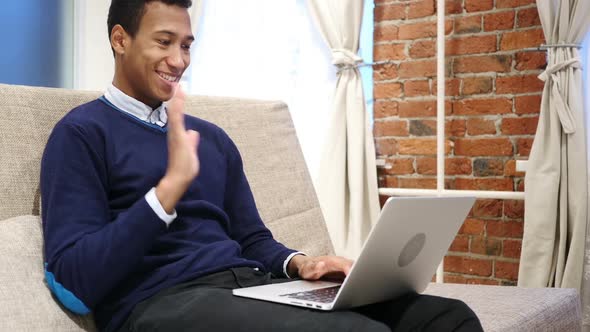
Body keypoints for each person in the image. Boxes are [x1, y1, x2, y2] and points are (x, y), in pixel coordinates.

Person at [40, 0, 483, 331]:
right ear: (120, 39)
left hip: (248, 288)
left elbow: (251, 237)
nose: (178, 60)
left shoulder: (211, 138)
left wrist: (298, 264)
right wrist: (167, 190)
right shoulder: (81, 134)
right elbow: (75, 278)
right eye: (164, 42)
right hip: (161, 303)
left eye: (187, 45)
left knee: (445, 318)